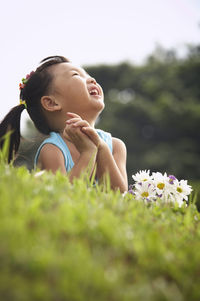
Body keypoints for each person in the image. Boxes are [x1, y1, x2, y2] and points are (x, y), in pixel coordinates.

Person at [0, 56, 128, 192]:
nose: (92, 79)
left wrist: (101, 147)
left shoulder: (115, 146)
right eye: (76, 75)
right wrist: (88, 152)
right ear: (51, 103)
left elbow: (120, 193)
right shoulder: (53, 150)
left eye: (87, 74)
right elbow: (62, 194)